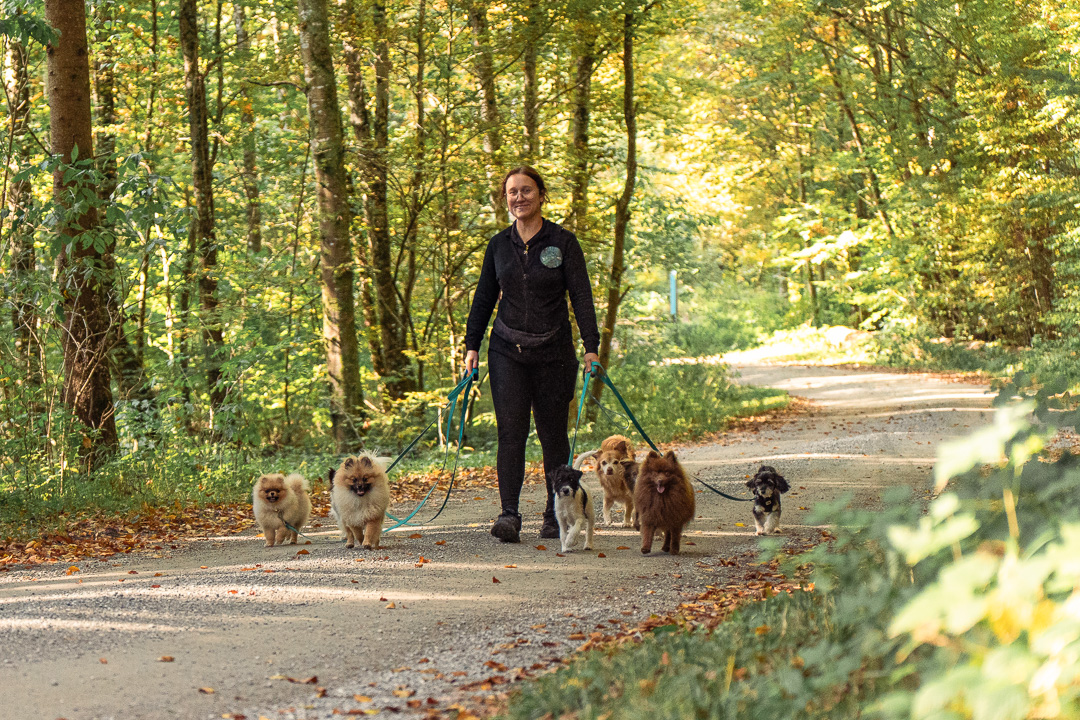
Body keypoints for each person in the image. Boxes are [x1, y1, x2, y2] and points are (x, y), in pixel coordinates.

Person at [464, 166, 600, 543]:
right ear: (505, 199)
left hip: (553, 351)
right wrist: (471, 346)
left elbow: (582, 297)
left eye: (526, 191)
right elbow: (483, 299)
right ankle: (509, 514)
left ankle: (553, 513)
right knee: (511, 433)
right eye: (512, 192)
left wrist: (591, 348)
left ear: (541, 195)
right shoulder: (498, 246)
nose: (519, 197)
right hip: (507, 350)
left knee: (553, 435)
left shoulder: (563, 242)